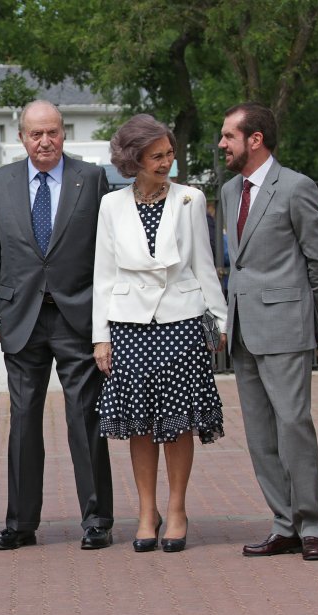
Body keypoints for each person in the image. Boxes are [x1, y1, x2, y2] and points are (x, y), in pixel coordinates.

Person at [0, 99, 114, 551]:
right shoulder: (2, 180)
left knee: (84, 418)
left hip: (78, 316)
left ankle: (97, 519)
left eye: (52, 131)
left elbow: (107, 253)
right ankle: (20, 523)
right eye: (36, 134)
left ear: (64, 133)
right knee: (23, 421)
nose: (45, 141)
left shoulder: (90, 178)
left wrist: (105, 321)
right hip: (20, 319)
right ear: (21, 138)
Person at [92, 114, 228, 553]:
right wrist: (101, 335)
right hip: (128, 325)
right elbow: (104, 274)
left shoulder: (190, 198)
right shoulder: (111, 205)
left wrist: (219, 320)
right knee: (139, 424)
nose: (166, 162)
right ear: (134, 160)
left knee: (180, 421)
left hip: (182, 320)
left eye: (169, 154)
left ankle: (176, 510)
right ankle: (146, 512)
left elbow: (204, 264)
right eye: (157, 156)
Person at [219, 102, 318, 561]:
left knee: (293, 427)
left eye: (229, 135)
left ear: (255, 139)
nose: (222, 143)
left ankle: (311, 527)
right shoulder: (230, 191)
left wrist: (302, 311)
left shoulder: (296, 187)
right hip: (244, 330)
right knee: (260, 435)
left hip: (286, 327)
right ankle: (283, 523)